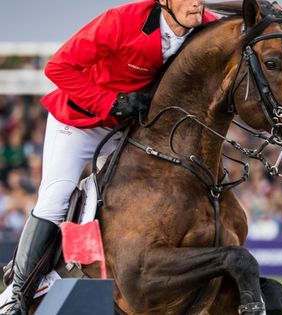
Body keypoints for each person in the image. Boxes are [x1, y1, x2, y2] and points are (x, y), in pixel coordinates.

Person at [0, 1, 217, 314]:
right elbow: (57, 68)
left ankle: (104, 277)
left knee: (132, 198)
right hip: (78, 123)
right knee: (56, 196)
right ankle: (17, 294)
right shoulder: (121, 21)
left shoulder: (202, 25)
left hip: (125, 129)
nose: (198, 1)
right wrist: (112, 102)